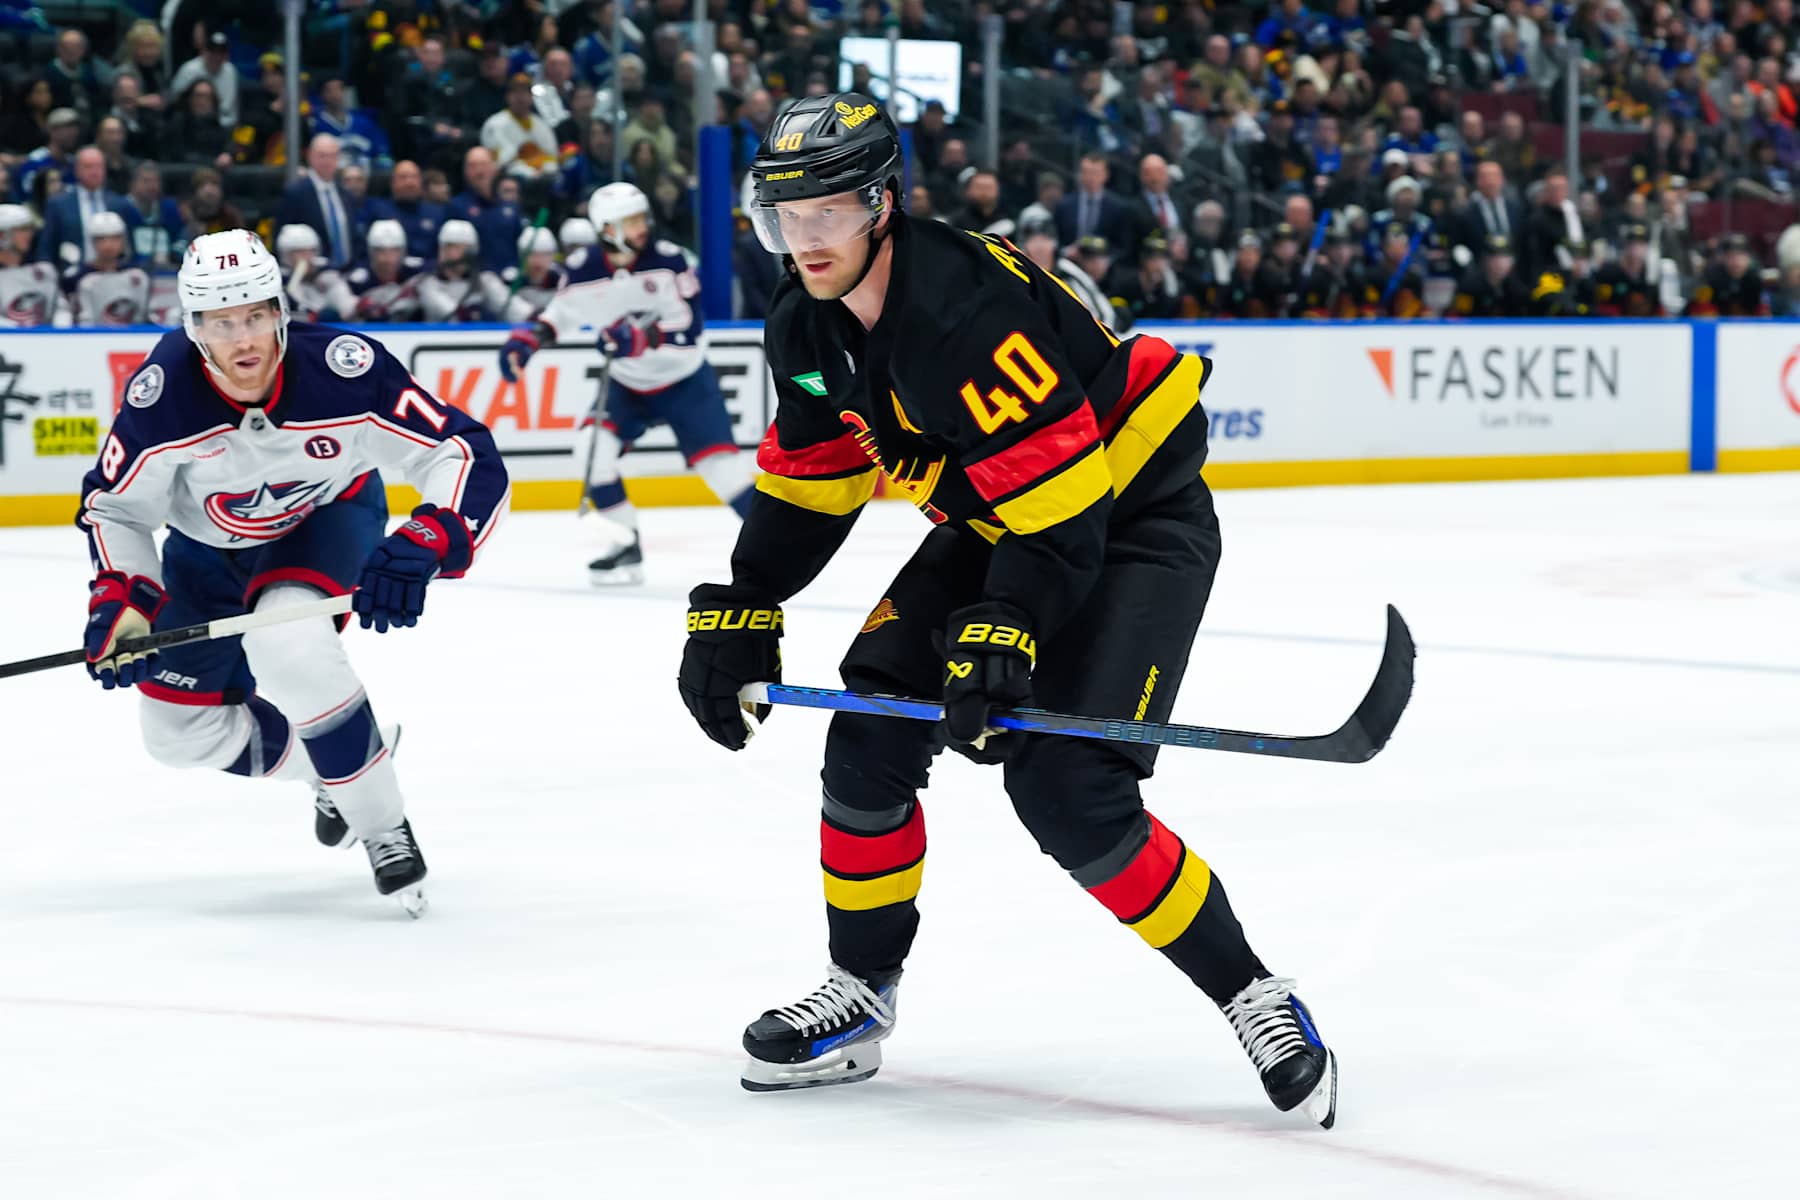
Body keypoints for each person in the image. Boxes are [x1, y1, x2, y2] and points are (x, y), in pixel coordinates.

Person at [677, 93, 1339, 1125]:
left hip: (1132, 516)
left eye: (828, 217)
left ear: (882, 205)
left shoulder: (964, 310)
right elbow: (812, 483)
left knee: (1068, 787)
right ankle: (861, 992)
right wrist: (743, 603)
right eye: (783, 219)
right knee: (867, 736)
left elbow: (1068, 521)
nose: (805, 243)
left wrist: (1007, 625)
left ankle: (1257, 995)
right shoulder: (802, 322)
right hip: (1009, 516)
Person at [75, 229, 510, 915]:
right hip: (205, 551)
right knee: (174, 734)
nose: (243, 340)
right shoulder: (161, 401)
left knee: (290, 649)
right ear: (195, 328)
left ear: (280, 308)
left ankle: (381, 826)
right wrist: (121, 597)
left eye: (254, 314)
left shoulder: (345, 368)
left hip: (326, 520)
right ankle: (344, 770)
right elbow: (116, 509)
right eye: (222, 324)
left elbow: (461, 450)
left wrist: (432, 534)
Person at [500, 182, 752, 584]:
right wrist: (528, 340)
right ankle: (625, 543)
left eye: (641, 217)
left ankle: (773, 546)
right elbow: (558, 315)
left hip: (684, 379)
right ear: (607, 228)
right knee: (591, 452)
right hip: (626, 384)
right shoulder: (583, 268)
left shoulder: (670, 262)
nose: (642, 227)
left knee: (724, 473)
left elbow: (691, 329)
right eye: (631, 221)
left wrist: (642, 338)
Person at [39, 146, 133, 267]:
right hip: (71, 277)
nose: (95, 172)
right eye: (89, 167)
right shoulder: (58, 205)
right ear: (77, 170)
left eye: (99, 167)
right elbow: (46, 247)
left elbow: (129, 246)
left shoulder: (120, 204)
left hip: (112, 275)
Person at [277, 135, 358, 269]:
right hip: (311, 275)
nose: (327, 161)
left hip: (348, 273)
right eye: (322, 156)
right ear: (310, 156)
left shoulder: (346, 195)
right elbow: (282, 238)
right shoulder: (296, 194)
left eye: (331, 156)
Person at [61, 209, 149, 324]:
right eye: (101, 239)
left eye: (115, 238)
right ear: (92, 241)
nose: (108, 245)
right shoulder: (76, 277)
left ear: (123, 240)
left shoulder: (136, 275)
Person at [450, 146, 525, 274]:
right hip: (474, 283)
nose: (479, 171)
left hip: (510, 279)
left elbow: (521, 245)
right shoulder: (456, 207)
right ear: (465, 171)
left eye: (483, 164)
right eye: (472, 166)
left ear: (494, 168)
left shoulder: (511, 207)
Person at [418, 219, 508, 322]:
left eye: (468, 249)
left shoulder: (484, 281)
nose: (465, 254)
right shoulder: (427, 283)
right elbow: (453, 316)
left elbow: (515, 311)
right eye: (455, 247)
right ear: (442, 250)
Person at [481, 72, 563, 184]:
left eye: (524, 92)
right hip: (510, 180)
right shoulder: (494, 124)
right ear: (507, 96)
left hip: (544, 181)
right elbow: (499, 163)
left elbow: (553, 156)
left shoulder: (542, 124)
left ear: (531, 97)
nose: (520, 97)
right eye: (515, 92)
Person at [0, 205, 69, 326]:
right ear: (2, 235)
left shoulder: (43, 272)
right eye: (22, 229)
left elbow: (61, 309)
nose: (29, 235)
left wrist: (60, 328)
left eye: (29, 229)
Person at [344, 219, 425, 322]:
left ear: (403, 252)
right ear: (371, 253)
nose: (388, 259)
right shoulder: (357, 281)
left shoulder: (416, 271)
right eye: (381, 251)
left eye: (394, 251)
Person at [275, 223, 355, 322]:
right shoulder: (279, 280)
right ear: (285, 255)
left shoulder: (327, 273)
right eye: (299, 252)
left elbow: (347, 307)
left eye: (311, 251)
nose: (307, 256)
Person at [168, 30, 240, 127]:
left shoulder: (230, 71)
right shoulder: (189, 70)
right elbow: (175, 100)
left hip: (223, 125)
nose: (216, 56)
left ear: (227, 55)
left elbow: (229, 107)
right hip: (191, 124)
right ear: (203, 51)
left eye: (221, 52)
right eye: (212, 51)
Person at [1590, 223, 1663, 316]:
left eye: (1641, 244)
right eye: (1632, 244)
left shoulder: (1652, 276)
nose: (1636, 249)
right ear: (1625, 247)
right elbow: (1602, 304)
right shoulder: (1610, 273)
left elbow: (1658, 309)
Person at [1450, 233, 1530, 317]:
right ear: (1485, 259)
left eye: (1505, 257)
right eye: (1495, 258)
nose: (1500, 263)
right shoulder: (1468, 288)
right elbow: (1458, 318)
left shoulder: (1518, 289)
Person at [503, 225, 567, 322]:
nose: (538, 261)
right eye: (533, 255)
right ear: (522, 256)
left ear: (552, 256)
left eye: (545, 255)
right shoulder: (510, 281)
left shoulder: (561, 279)